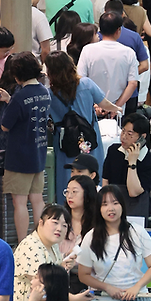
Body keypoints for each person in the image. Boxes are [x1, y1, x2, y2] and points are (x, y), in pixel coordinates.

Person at [45, 50, 120, 202]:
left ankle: (68, 209)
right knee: (93, 174)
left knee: (67, 178)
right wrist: (116, 109)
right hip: (90, 139)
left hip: (65, 143)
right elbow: (103, 103)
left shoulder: (49, 94)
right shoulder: (86, 84)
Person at [0, 51, 50, 241]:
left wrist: (10, 103)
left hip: (19, 157)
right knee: (37, 200)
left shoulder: (20, 97)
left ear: (17, 74)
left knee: (19, 203)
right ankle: (41, 241)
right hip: (38, 154)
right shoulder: (44, 92)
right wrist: (10, 100)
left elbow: (5, 125)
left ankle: (23, 243)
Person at [77, 185, 151, 300]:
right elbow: (83, 275)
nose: (111, 208)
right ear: (99, 209)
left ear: (122, 205)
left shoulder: (137, 231)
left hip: (136, 297)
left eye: (115, 203)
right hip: (104, 299)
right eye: (105, 204)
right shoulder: (90, 237)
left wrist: (136, 287)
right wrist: (107, 287)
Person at [102, 113, 151, 220]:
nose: (123, 137)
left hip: (135, 211)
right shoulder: (114, 151)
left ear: (142, 137)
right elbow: (105, 180)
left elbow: (133, 192)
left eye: (129, 134)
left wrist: (132, 162)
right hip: (111, 207)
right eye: (123, 131)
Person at [77, 11, 140, 110]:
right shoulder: (129, 52)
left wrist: (96, 105)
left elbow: (80, 79)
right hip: (117, 109)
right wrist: (115, 107)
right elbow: (133, 83)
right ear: (118, 30)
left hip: (92, 107)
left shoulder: (87, 49)